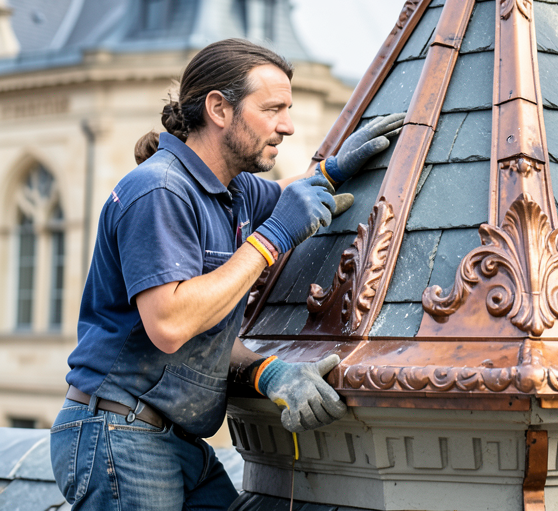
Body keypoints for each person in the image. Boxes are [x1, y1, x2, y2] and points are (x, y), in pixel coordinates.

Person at [49, 38, 404, 510]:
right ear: (218, 108)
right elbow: (171, 324)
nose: (288, 126)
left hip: (174, 438)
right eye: (273, 108)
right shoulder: (160, 190)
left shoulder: (231, 191)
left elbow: (287, 195)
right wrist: (271, 238)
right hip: (120, 435)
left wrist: (333, 171)